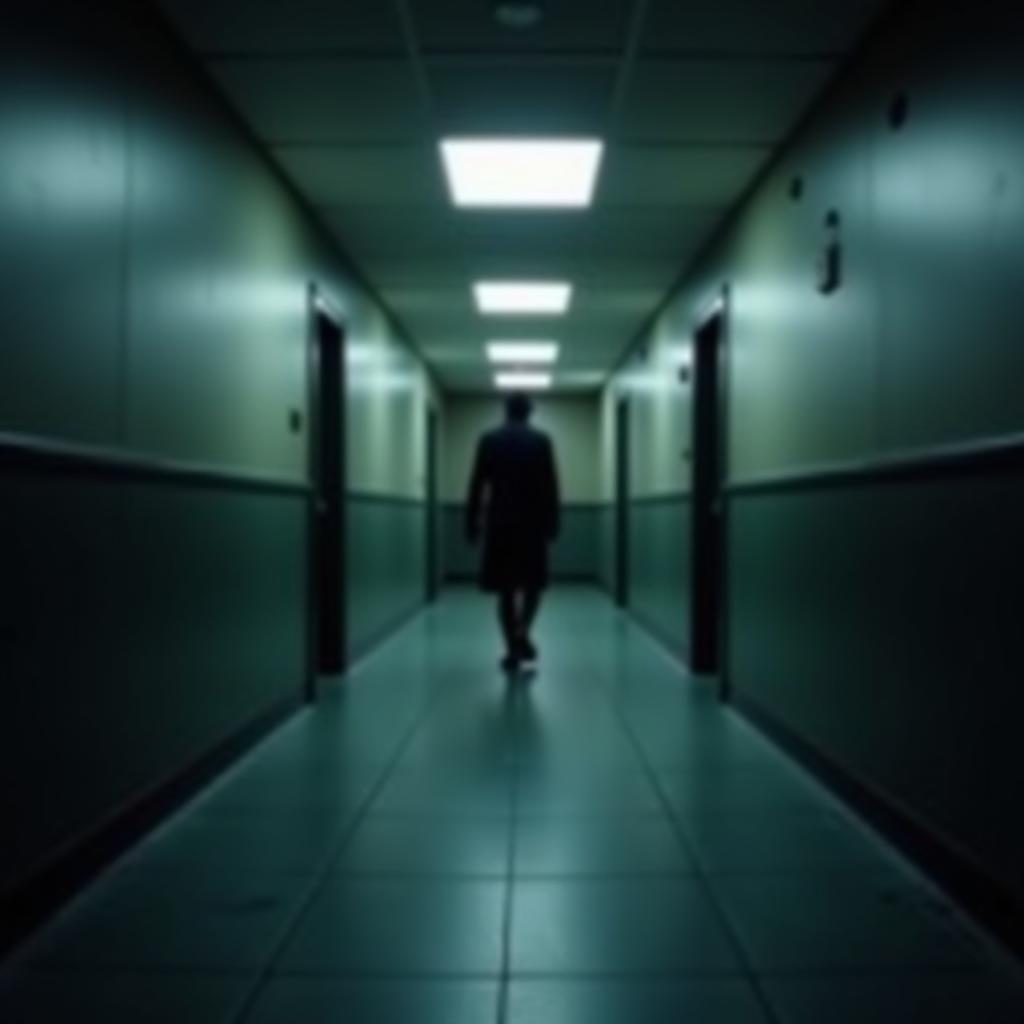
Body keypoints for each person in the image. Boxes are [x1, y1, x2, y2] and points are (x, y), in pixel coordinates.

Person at [466, 392, 561, 673]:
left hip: (500, 524)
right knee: (533, 585)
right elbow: (551, 486)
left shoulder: (489, 440)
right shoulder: (542, 441)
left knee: (506, 590)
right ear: (529, 412)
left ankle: (511, 648)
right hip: (532, 525)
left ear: (506, 411)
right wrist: (553, 523)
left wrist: (471, 523)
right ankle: (522, 632)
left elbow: (476, 485)